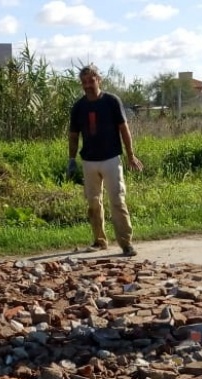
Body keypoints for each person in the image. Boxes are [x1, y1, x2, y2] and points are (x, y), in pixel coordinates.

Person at [68, 64, 143, 257]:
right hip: (89, 161)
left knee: (117, 201)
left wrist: (130, 155)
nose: (87, 85)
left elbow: (124, 129)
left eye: (91, 81)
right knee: (93, 203)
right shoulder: (78, 107)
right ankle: (99, 241)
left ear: (98, 80)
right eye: (84, 82)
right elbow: (73, 135)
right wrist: (71, 159)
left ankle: (126, 243)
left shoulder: (111, 101)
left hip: (111, 159)